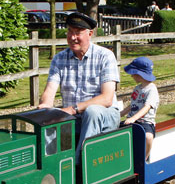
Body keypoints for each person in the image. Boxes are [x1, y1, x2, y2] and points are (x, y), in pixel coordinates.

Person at [38, 12, 120, 157]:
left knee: (92, 111)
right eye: (70, 31)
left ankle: (79, 164)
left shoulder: (105, 56)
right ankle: (49, 165)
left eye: (78, 32)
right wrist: (46, 107)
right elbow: (50, 90)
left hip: (104, 116)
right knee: (49, 120)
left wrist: (72, 109)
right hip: (73, 119)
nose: (72, 37)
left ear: (90, 34)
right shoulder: (59, 58)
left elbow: (107, 99)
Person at [120, 57, 159, 160]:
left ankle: (144, 158)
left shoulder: (152, 89)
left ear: (140, 74)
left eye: (134, 73)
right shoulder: (137, 88)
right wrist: (120, 113)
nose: (132, 76)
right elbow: (132, 105)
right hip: (132, 120)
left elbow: (147, 107)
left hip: (145, 122)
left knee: (148, 137)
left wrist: (134, 118)